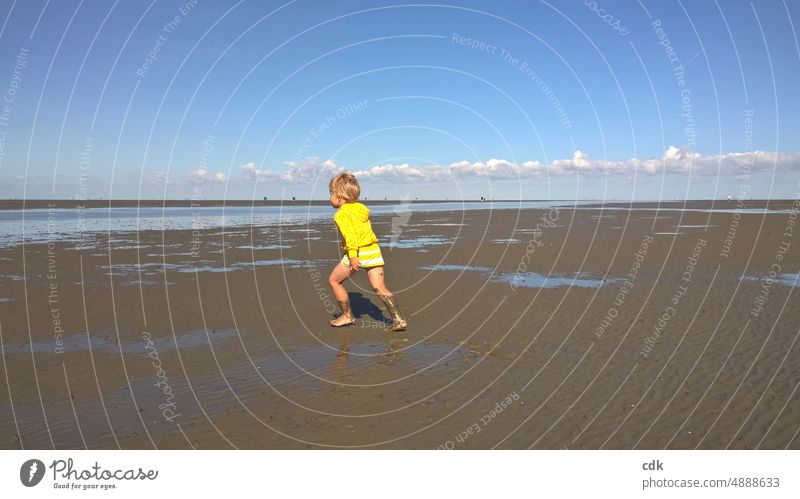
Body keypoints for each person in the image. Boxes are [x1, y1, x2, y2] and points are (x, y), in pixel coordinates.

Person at [327, 172, 407, 332]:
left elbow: (351, 236)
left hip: (357, 253)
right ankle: (398, 319)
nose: (330, 198)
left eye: (331, 194)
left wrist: (353, 256)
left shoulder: (342, 214)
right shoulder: (361, 208)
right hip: (373, 250)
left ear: (340, 197)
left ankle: (347, 315)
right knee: (379, 287)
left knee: (334, 281)